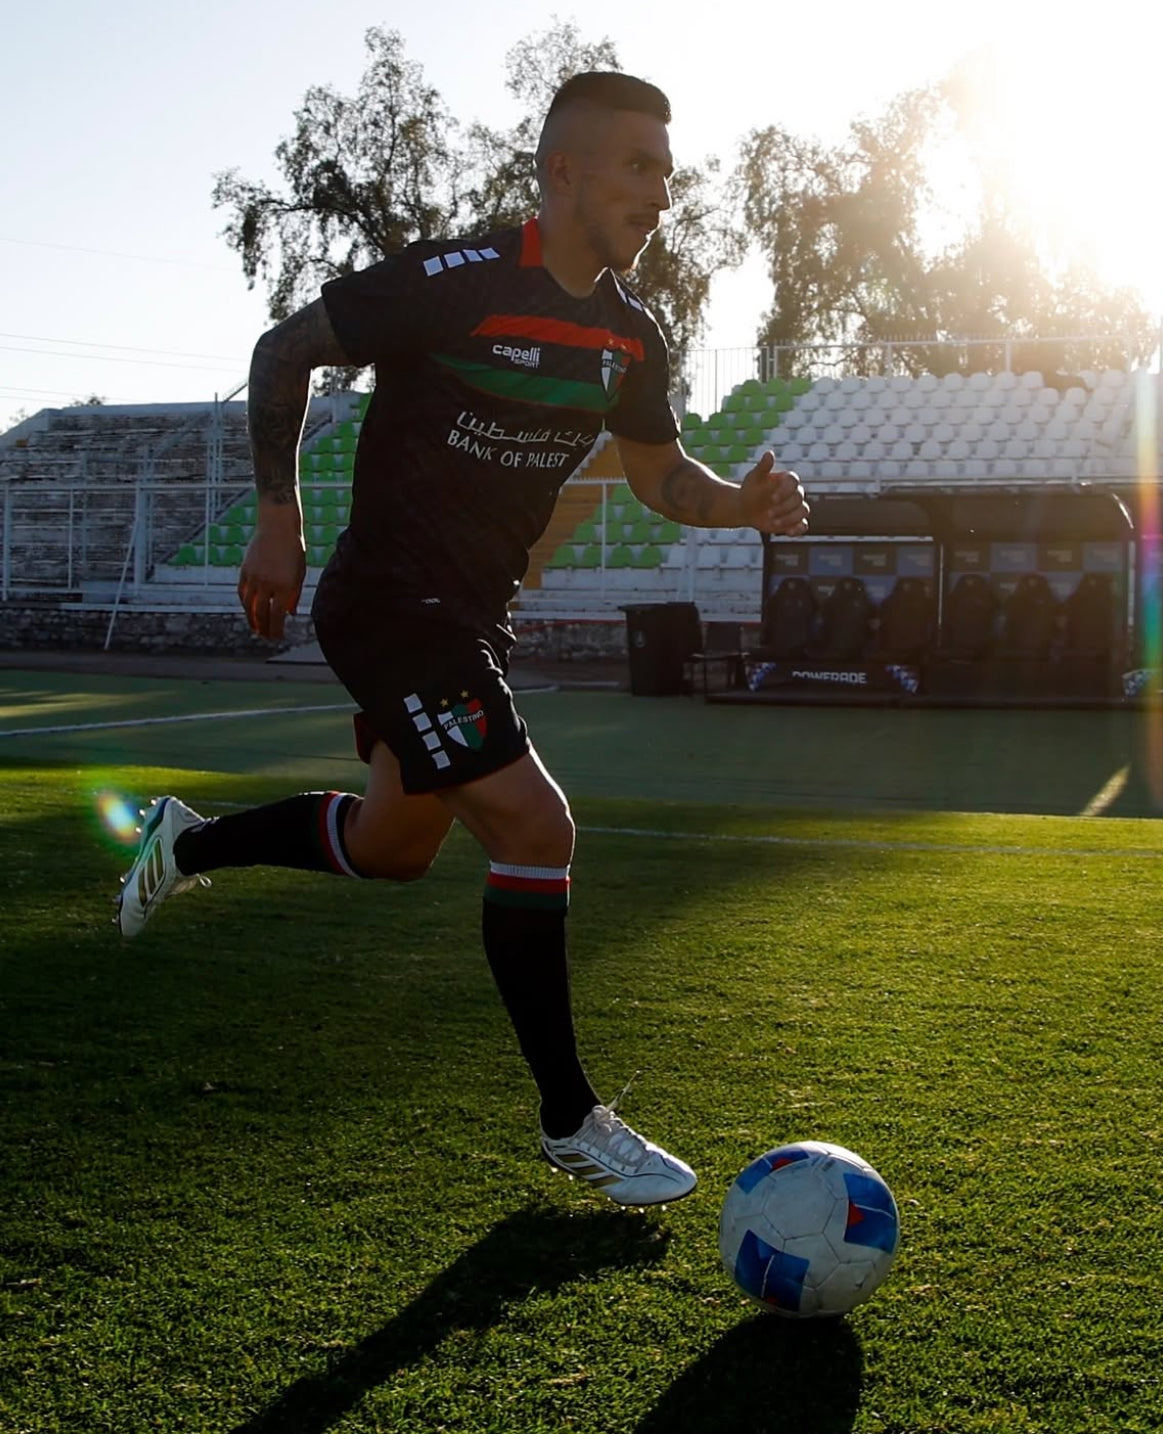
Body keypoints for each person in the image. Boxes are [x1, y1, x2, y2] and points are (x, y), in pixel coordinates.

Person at [116, 71, 808, 1207]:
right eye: (637, 167)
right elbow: (283, 349)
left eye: (667, 174)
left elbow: (665, 478)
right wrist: (279, 522)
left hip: (471, 619)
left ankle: (181, 848)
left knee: (394, 847)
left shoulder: (630, 338)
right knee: (538, 826)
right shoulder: (459, 280)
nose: (660, 194)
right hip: (390, 608)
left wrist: (745, 503)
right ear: (563, 172)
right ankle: (570, 1118)